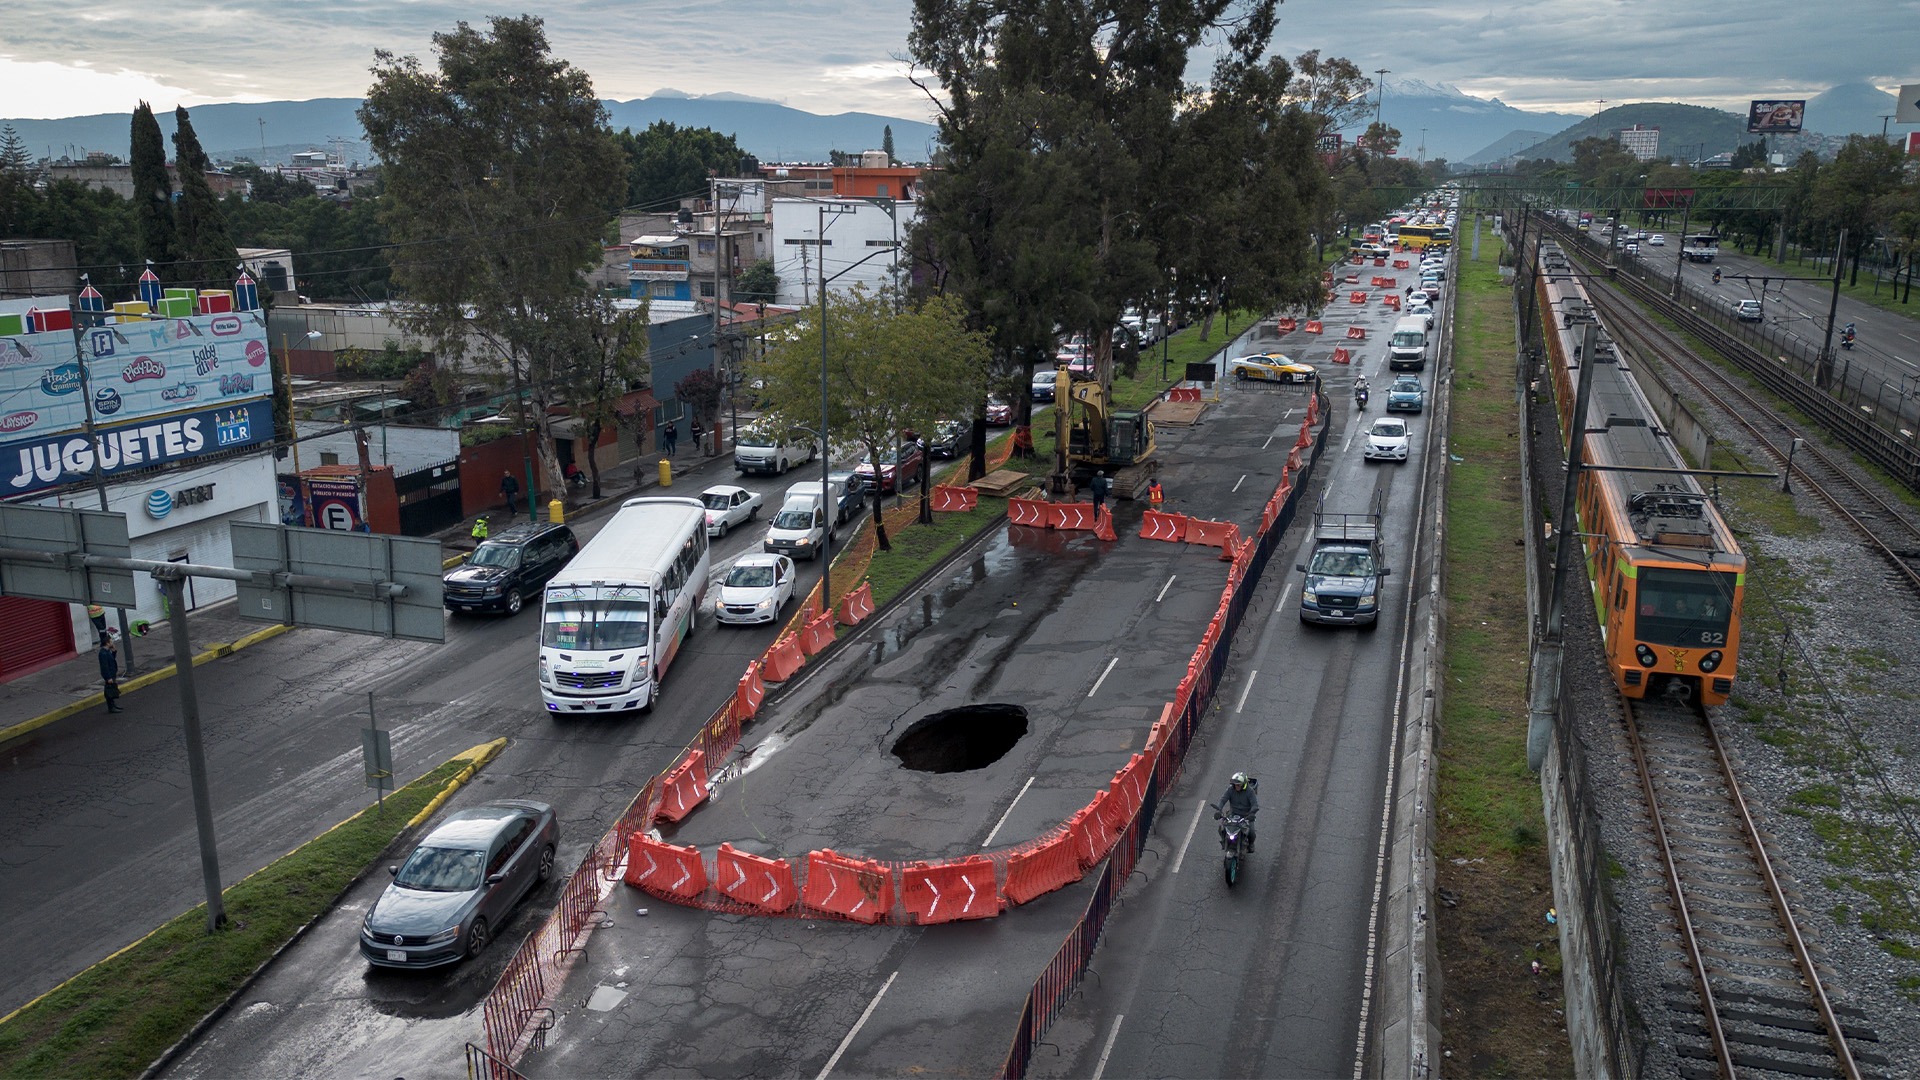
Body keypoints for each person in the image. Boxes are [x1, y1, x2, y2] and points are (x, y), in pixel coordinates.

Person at [1214, 771, 1258, 851]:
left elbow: (1255, 805)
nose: (1236, 786)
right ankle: (1224, 841)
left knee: (1252, 833)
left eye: (1238, 785)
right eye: (1235, 784)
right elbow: (1223, 800)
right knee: (1222, 828)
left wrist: (1252, 813)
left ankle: (1251, 844)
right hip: (1233, 814)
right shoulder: (1230, 790)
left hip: (1246, 816)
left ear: (1244, 784)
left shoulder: (1250, 792)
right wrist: (1218, 810)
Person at [98, 635, 122, 713]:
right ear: (107, 643)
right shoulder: (103, 653)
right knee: (109, 691)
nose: (112, 642)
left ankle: (113, 705)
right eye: (111, 641)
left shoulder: (107, 651)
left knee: (112, 689)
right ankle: (111, 707)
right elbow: (104, 666)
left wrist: (114, 651)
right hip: (109, 675)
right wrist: (108, 677)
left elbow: (111, 659)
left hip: (112, 673)